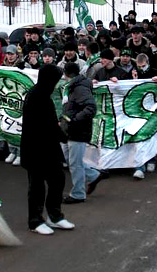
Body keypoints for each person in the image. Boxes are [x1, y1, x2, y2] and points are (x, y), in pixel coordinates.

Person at [21, 64, 75, 235]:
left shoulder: (44, 95)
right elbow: (45, 125)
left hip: (49, 148)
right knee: (37, 187)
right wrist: (63, 135)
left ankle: (55, 216)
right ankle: (35, 221)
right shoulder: (36, 96)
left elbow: (50, 124)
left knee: (57, 180)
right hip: (35, 149)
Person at [61, 62, 101, 204]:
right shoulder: (73, 87)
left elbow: (91, 107)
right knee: (69, 159)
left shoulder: (79, 88)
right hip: (69, 130)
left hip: (77, 130)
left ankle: (78, 194)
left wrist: (74, 119)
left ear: (67, 73)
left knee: (75, 163)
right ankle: (94, 175)